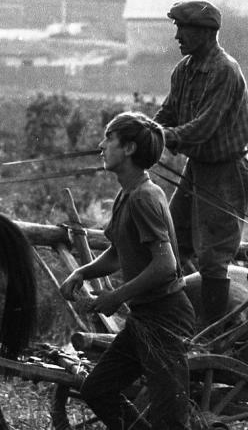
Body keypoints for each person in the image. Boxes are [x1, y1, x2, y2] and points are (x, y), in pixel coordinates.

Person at [59, 111, 195, 429]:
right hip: (144, 319)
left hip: (165, 319)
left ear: (129, 149)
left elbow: (166, 265)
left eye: (109, 138)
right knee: (97, 390)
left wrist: (116, 296)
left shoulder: (143, 198)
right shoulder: (128, 194)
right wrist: (82, 273)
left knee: (170, 419)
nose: (101, 145)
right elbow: (118, 252)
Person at [154, 0, 248, 330]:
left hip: (226, 172)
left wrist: (158, 139)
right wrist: (144, 131)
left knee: (213, 257)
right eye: (177, 28)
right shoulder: (183, 70)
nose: (178, 36)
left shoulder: (225, 71)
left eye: (183, 29)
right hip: (197, 168)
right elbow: (168, 114)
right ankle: (175, 319)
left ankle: (212, 331)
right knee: (172, 238)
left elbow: (202, 127)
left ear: (206, 33)